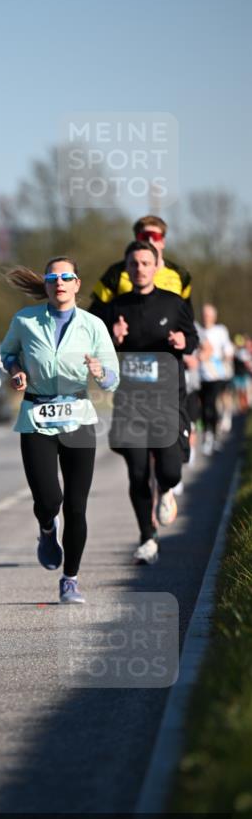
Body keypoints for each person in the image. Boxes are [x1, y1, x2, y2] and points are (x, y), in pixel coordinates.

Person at [0, 257, 119, 604]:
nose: (60, 282)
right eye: (53, 278)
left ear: (77, 284)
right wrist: (16, 371)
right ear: (47, 285)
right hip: (36, 417)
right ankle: (47, 528)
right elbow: (7, 355)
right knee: (49, 499)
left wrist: (100, 372)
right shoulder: (25, 320)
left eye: (67, 277)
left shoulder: (93, 325)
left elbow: (112, 378)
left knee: (77, 507)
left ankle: (70, 579)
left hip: (78, 417)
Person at [102, 241, 199, 565]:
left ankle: (167, 490)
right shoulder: (116, 307)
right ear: (127, 269)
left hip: (167, 401)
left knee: (169, 472)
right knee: (137, 473)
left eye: (145, 263)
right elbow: (101, 351)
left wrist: (183, 341)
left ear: (156, 266)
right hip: (131, 403)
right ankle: (147, 537)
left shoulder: (174, 303)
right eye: (134, 264)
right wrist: (114, 339)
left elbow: (192, 339)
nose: (140, 268)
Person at [90, 215, 193, 316]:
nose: (150, 241)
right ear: (136, 239)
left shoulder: (181, 275)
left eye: (155, 236)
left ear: (163, 242)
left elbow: (187, 315)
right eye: (144, 236)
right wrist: (113, 326)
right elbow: (95, 313)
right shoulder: (115, 273)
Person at [197, 303, 235, 455]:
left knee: (210, 405)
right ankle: (209, 433)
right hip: (200, 375)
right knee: (203, 407)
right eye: (204, 315)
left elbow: (228, 347)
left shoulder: (220, 330)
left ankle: (211, 435)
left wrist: (228, 355)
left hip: (216, 375)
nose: (205, 318)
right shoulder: (198, 330)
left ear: (214, 316)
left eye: (208, 315)